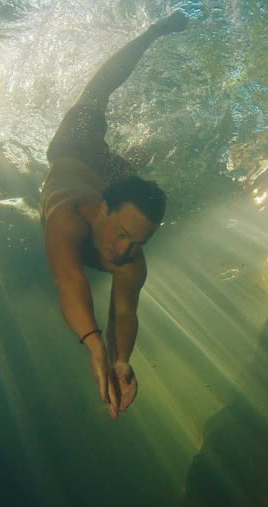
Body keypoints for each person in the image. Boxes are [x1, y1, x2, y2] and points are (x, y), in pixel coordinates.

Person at [41, 11, 188, 419]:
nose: (123, 251)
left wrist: (121, 360)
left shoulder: (131, 258)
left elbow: (125, 311)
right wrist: (93, 346)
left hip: (106, 173)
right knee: (96, 94)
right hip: (74, 149)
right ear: (102, 208)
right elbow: (68, 278)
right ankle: (152, 32)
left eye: (137, 243)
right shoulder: (68, 218)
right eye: (122, 233)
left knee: (133, 166)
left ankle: (141, 155)